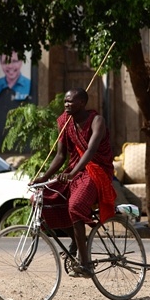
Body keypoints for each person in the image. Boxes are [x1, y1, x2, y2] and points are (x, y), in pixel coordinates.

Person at [30, 88, 116, 278]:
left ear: (82, 103)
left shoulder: (97, 121)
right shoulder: (64, 122)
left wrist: (74, 173)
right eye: (65, 102)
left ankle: (85, 263)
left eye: (71, 102)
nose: (67, 104)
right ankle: (76, 240)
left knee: (75, 206)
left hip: (97, 172)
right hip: (74, 170)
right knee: (42, 198)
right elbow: (60, 155)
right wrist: (44, 178)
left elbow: (91, 151)